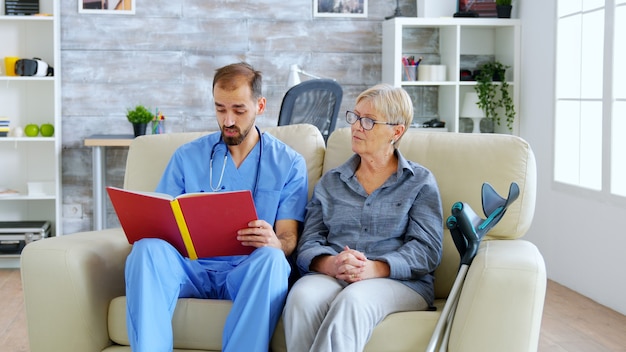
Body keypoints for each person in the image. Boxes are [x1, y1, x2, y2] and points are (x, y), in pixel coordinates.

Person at [124, 62, 309, 352]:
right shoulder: (187, 156)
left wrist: (275, 242)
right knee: (146, 249)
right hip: (191, 268)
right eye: (220, 109)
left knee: (273, 260)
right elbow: (160, 221)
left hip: (245, 271)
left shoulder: (289, 163)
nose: (228, 120)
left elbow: (289, 237)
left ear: (260, 105)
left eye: (238, 109)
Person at [283, 83, 444, 351]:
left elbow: (426, 251)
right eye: (355, 117)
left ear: (396, 131)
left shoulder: (420, 182)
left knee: (353, 300)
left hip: (398, 282)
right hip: (333, 274)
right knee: (301, 297)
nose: (356, 126)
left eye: (368, 121)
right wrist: (332, 264)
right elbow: (308, 243)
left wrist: (375, 268)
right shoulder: (331, 182)